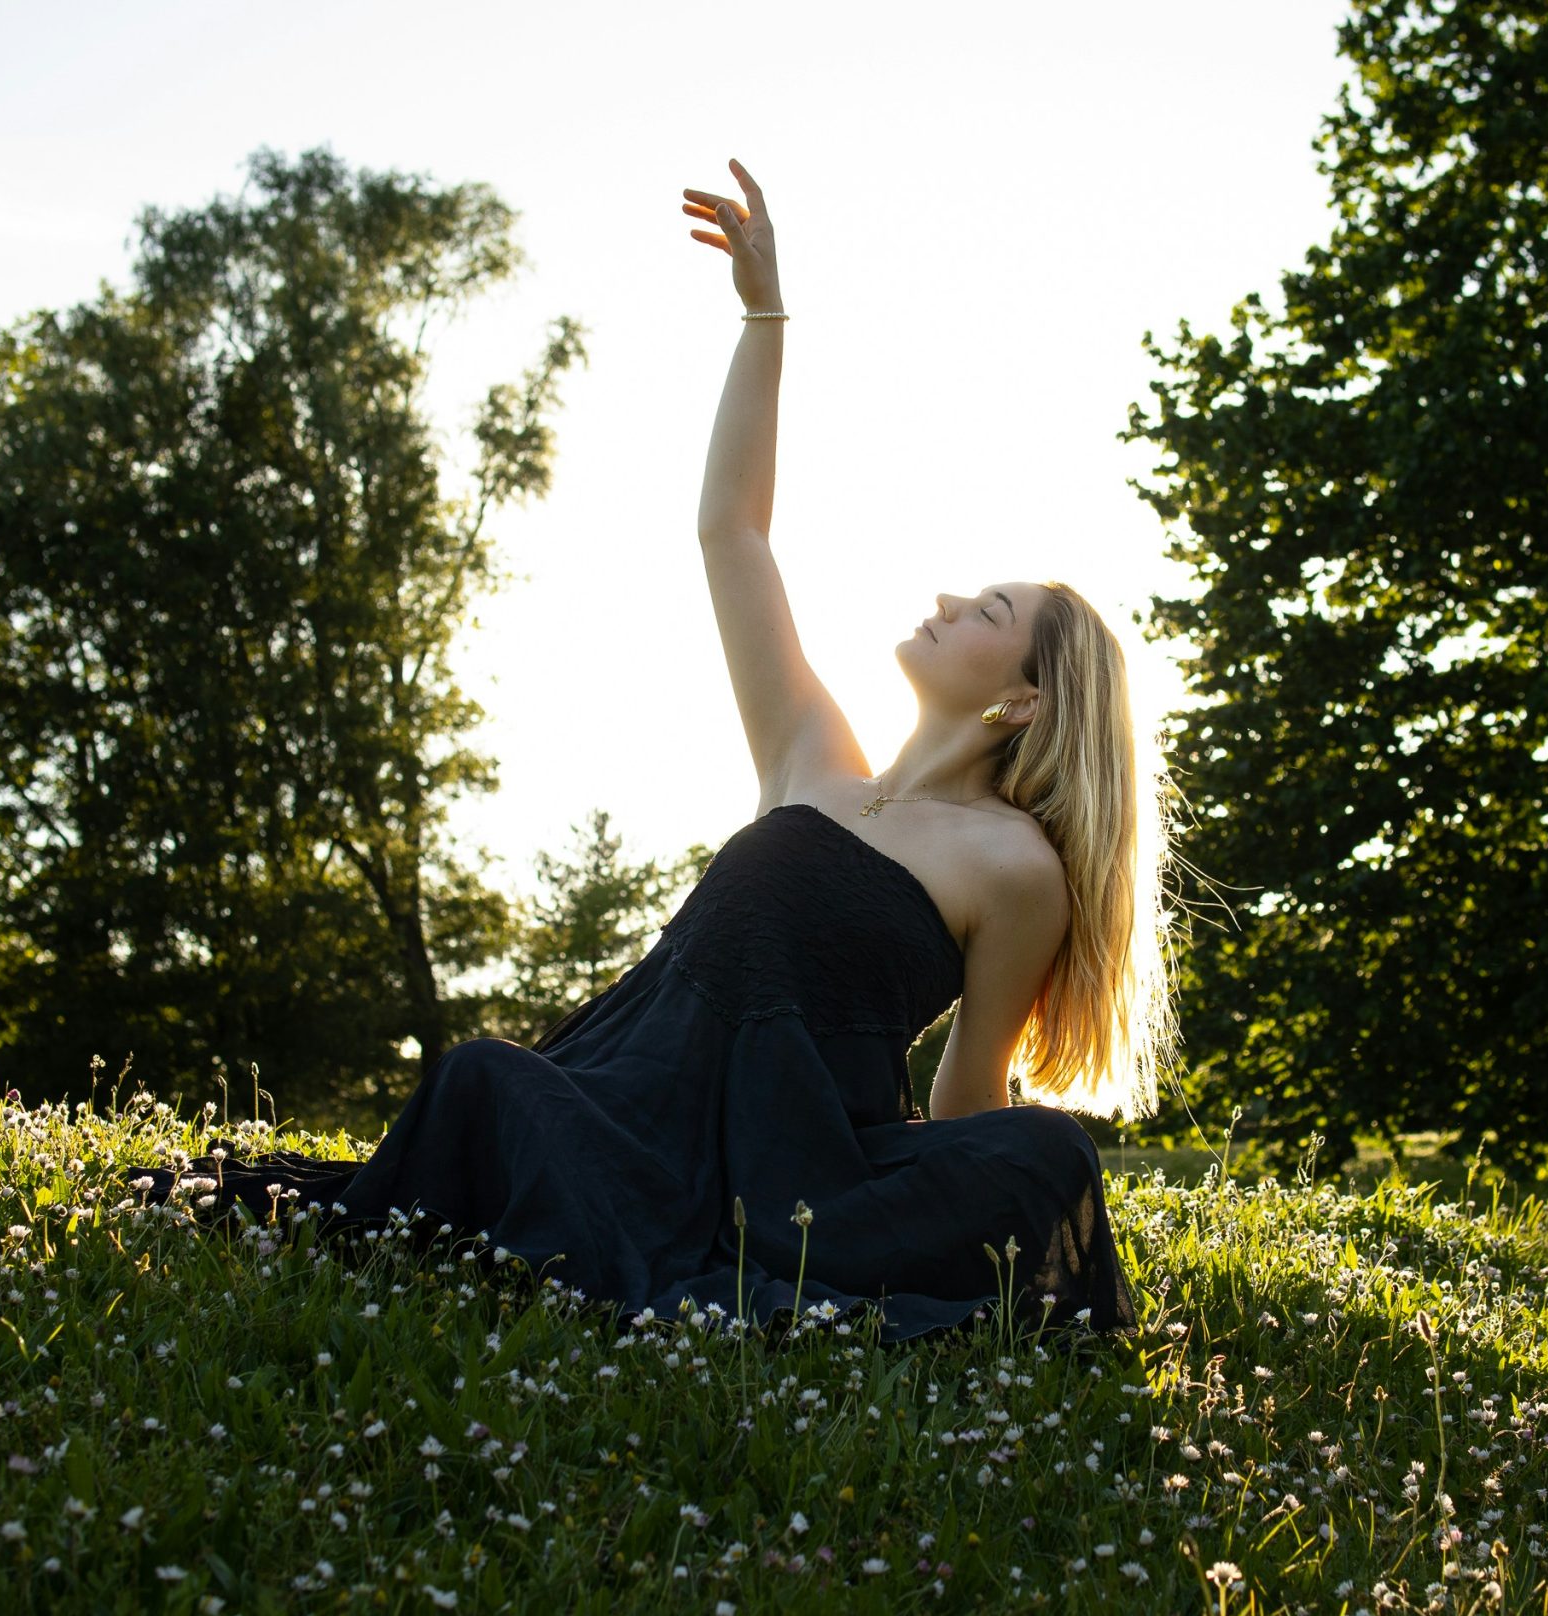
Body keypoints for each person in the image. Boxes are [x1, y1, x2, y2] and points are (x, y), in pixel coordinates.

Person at [131, 159, 1181, 1343]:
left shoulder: (1013, 867)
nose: (949, 596)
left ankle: (764, 1281)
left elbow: (967, 1093)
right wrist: (763, 316)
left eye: (988, 610)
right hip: (630, 1114)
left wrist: (957, 1216)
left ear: (1031, 703)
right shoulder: (812, 758)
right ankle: (613, 1235)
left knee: (1042, 1149)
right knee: (481, 1078)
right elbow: (730, 529)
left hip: (800, 1191)